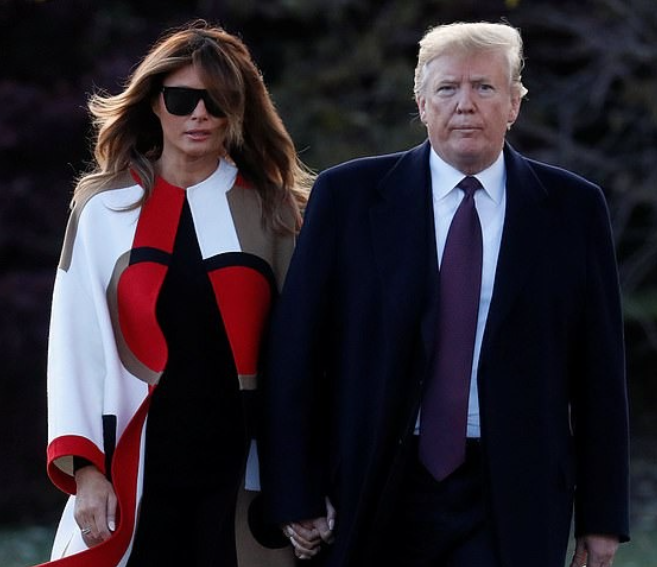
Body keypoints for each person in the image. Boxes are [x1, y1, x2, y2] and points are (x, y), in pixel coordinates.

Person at [258, 21, 630, 567]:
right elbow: (295, 355)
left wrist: (601, 520)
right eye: (448, 89)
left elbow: (599, 375)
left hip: (515, 490)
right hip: (373, 480)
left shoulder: (573, 210)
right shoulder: (349, 198)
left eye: (484, 87)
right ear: (421, 102)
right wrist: (295, 492)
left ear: (514, 104)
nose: (465, 105)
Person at [40, 20, 313, 567]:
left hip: (243, 475)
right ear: (154, 104)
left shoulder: (277, 210)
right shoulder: (102, 209)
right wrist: (86, 468)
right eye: (183, 98)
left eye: (217, 101)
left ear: (237, 109)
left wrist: (306, 481)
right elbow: (74, 344)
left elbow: (307, 357)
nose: (200, 115)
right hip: (135, 470)